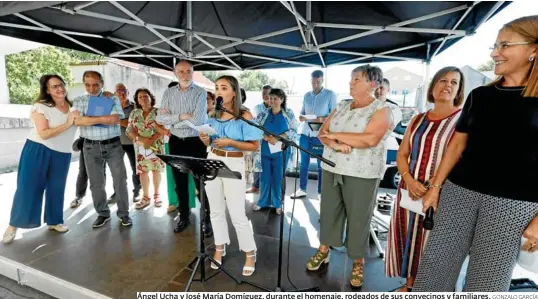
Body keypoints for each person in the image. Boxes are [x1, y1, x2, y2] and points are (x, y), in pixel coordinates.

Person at [413, 16, 538, 292]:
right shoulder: (480, 95)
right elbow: (457, 145)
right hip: (459, 192)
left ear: (534, 50)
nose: (495, 53)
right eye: (494, 46)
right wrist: (435, 188)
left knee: (486, 284)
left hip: (514, 204)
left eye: (504, 45)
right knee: (433, 272)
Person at [305, 65, 394, 288]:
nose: (351, 83)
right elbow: (322, 133)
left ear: (373, 84)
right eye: (351, 79)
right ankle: (324, 250)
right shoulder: (342, 106)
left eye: (357, 80)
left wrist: (335, 135)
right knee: (329, 213)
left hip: (362, 173)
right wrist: (335, 143)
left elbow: (369, 139)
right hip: (332, 168)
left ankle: (358, 261)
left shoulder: (382, 110)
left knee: (358, 218)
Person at [384, 67, 465, 291]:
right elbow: (402, 154)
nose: (447, 85)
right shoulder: (418, 119)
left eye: (454, 82)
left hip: (441, 194)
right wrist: (408, 180)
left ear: (459, 90)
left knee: (434, 246)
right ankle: (409, 285)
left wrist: (435, 187)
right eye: (442, 80)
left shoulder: (462, 120)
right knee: (409, 240)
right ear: (433, 86)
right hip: (410, 190)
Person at [3, 74, 79, 243]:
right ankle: (14, 224)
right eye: (54, 86)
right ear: (47, 90)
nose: (59, 89)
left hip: (62, 153)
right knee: (28, 187)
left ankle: (54, 221)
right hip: (38, 150)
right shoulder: (40, 106)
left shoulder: (72, 106)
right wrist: (68, 123)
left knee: (56, 188)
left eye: (61, 84)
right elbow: (44, 134)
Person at [199, 75, 261, 276]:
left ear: (234, 92)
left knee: (236, 213)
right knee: (215, 210)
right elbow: (209, 143)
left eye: (223, 88)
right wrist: (205, 139)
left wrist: (231, 142)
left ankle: (250, 252)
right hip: (212, 158)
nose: (218, 91)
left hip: (234, 161)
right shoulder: (212, 114)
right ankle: (219, 247)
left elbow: (254, 146)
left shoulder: (245, 115)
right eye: (217, 88)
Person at [156, 60, 211, 235]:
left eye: (188, 71)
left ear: (193, 72)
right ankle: (184, 216)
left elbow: (198, 121)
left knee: (200, 183)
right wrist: (182, 116)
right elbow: (159, 119)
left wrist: (172, 118)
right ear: (175, 73)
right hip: (176, 142)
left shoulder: (200, 92)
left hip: (196, 142)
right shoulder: (169, 92)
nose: (185, 75)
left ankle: (207, 219)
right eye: (181, 71)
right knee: (179, 183)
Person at [72, 71, 132, 228]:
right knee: (96, 183)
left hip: (113, 146)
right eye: (88, 84)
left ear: (102, 83)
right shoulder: (79, 100)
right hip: (90, 147)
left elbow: (115, 119)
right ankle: (103, 214)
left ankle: (124, 214)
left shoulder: (111, 98)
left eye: (95, 84)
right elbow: (77, 121)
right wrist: (101, 119)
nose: (91, 88)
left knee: (120, 181)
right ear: (84, 83)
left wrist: (89, 119)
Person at [293, 70, 337, 200]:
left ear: (322, 80)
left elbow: (335, 115)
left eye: (318, 82)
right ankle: (302, 189)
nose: (315, 84)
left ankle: (321, 193)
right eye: (313, 82)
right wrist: (301, 117)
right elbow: (302, 112)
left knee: (321, 166)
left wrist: (321, 119)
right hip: (306, 134)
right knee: (303, 164)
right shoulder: (307, 95)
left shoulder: (330, 95)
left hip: (320, 136)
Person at [253, 88, 297, 214]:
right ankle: (262, 202)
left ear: (282, 100)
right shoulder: (263, 113)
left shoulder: (288, 113)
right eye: (270, 98)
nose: (272, 101)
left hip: (281, 151)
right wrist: (267, 137)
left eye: (275, 98)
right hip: (265, 150)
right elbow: (255, 128)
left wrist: (278, 137)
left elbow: (294, 129)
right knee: (264, 177)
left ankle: (278, 203)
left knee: (278, 178)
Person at [126, 88, 165, 209]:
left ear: (151, 97)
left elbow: (163, 129)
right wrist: (142, 140)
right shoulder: (134, 113)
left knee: (156, 170)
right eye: (140, 97)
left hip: (156, 145)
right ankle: (146, 197)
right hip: (140, 147)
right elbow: (129, 130)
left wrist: (151, 140)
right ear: (137, 100)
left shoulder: (159, 112)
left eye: (145, 96)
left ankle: (157, 195)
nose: (143, 99)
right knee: (142, 171)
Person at [108, 83, 141, 204]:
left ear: (127, 92)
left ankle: (137, 191)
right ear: (114, 93)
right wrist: (123, 122)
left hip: (131, 142)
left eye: (123, 90)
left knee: (136, 168)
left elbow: (134, 124)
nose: (121, 93)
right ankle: (117, 192)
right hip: (115, 142)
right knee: (117, 170)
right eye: (118, 90)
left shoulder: (135, 107)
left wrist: (116, 121)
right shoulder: (110, 107)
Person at [247, 85, 272, 194]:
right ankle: (255, 186)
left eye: (267, 93)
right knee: (256, 163)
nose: (265, 95)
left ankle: (266, 187)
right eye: (263, 93)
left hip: (271, 139)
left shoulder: (275, 107)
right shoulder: (257, 107)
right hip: (259, 138)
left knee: (268, 164)